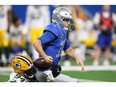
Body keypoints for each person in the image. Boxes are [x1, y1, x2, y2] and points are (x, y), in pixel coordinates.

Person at [33, 6, 84, 82]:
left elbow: (68, 49)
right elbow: (36, 43)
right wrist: (45, 56)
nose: (69, 23)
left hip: (51, 72)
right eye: (66, 20)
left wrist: (77, 57)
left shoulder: (62, 31)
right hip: (44, 72)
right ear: (59, 18)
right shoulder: (54, 29)